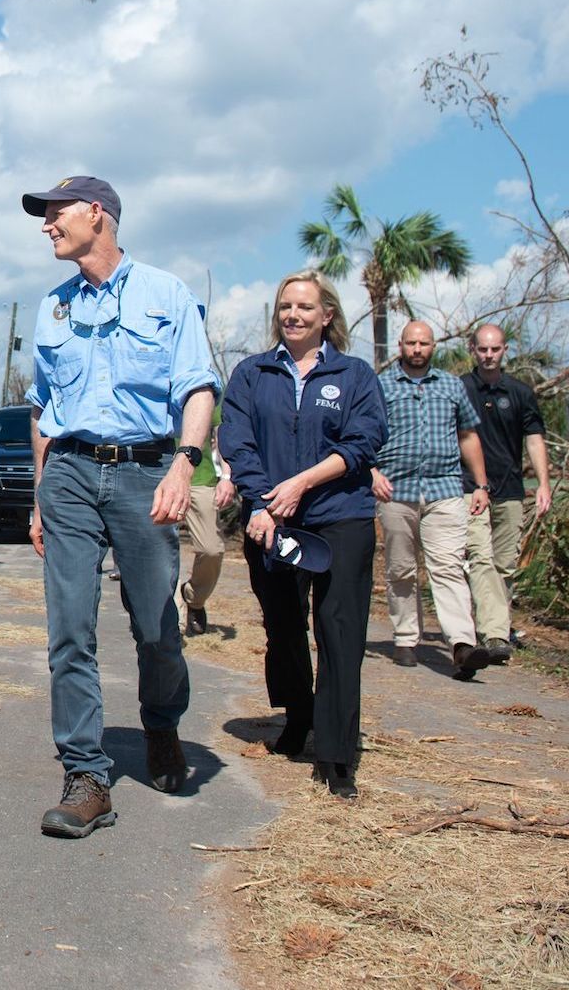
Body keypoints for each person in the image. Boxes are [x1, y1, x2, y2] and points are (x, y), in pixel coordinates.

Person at [20, 175, 217, 839]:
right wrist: (40, 497)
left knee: (157, 628)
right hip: (71, 474)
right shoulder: (52, 307)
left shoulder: (166, 294)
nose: (47, 224)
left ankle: (161, 726)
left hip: (146, 470)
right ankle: (86, 775)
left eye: (56, 213)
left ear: (96, 213)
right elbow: (43, 412)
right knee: (69, 629)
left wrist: (184, 466)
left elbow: (197, 390)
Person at [220, 271, 386, 799]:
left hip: (341, 515)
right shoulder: (251, 373)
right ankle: (298, 713)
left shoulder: (355, 375)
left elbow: (364, 442)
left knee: (338, 632)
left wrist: (302, 484)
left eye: (305, 307)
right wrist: (266, 503)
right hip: (273, 521)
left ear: (326, 316)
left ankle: (336, 754)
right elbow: (237, 442)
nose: (293, 315)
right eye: (285, 306)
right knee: (284, 628)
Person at [371, 321, 499, 675]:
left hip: (445, 489)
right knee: (401, 568)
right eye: (411, 343)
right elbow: (364, 436)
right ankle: (406, 638)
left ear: (434, 346)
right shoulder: (381, 387)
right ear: (400, 345)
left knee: (448, 567)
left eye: (423, 343)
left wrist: (480, 484)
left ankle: (462, 645)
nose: (417, 349)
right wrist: (372, 473)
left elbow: (468, 436)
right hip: (396, 490)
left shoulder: (451, 385)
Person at [460, 323, 553, 648]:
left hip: (511, 489)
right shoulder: (460, 389)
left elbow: (534, 440)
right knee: (480, 558)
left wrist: (543, 483)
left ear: (504, 351)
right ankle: (495, 635)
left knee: (504, 565)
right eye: (482, 349)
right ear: (472, 349)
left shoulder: (520, 393)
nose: (488, 355)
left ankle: (492, 625)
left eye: (494, 349)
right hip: (469, 488)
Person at [176, 409, 236, 636]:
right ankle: (173, 619)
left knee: (212, 549)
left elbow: (223, 436)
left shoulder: (207, 386)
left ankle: (193, 598)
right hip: (159, 478)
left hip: (201, 480)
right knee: (161, 551)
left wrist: (227, 478)